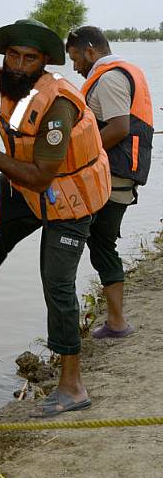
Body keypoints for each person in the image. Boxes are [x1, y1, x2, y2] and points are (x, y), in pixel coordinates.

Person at [0, 19, 111, 416]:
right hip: (35, 196)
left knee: (57, 284)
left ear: (44, 63)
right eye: (12, 56)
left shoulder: (58, 106)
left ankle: (72, 387)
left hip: (71, 203)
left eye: (28, 58)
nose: (17, 65)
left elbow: (41, 175)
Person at [66, 26, 154, 339]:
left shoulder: (110, 78)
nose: (75, 66)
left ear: (90, 51)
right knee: (101, 243)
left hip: (115, 174)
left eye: (75, 58)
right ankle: (114, 321)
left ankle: (115, 322)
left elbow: (118, 128)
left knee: (94, 243)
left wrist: (73, 157)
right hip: (121, 172)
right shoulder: (121, 72)